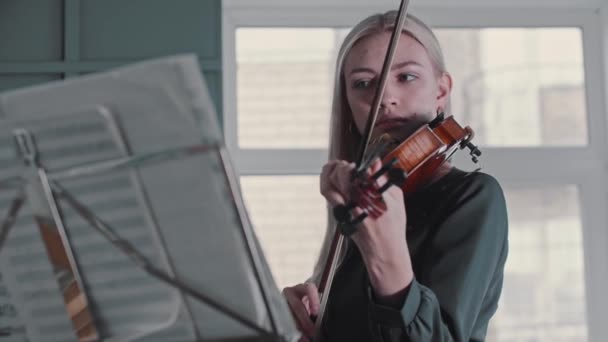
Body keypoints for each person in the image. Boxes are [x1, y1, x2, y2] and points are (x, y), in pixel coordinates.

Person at [281, 10, 509, 342]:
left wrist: (386, 257)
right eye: (363, 84)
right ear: (349, 105)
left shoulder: (472, 197)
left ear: (441, 91)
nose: (385, 98)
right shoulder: (357, 207)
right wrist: (298, 321)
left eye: (407, 77)